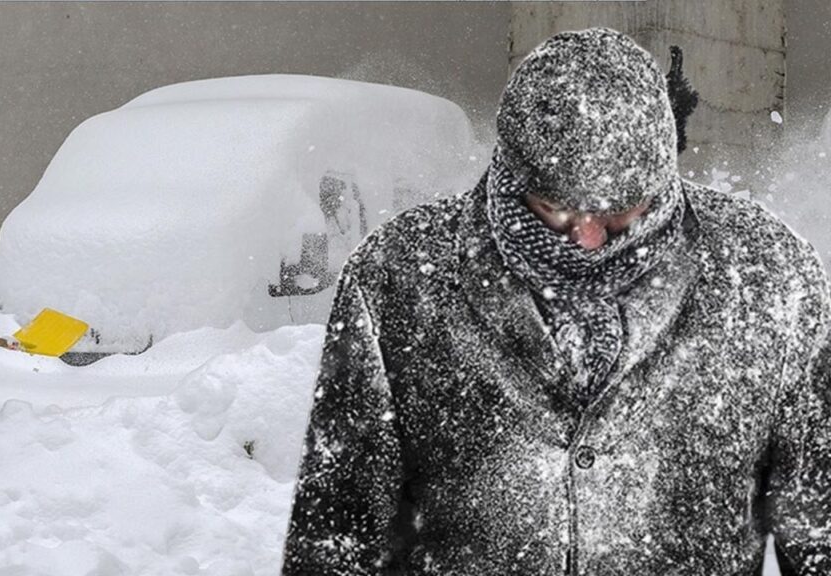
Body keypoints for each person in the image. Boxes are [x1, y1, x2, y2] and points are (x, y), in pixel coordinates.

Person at [282, 29, 831, 575]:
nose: (589, 238)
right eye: (555, 208)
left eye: (621, 212)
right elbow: (338, 534)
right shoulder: (400, 277)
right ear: (513, 174)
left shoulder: (769, 275)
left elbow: (818, 528)